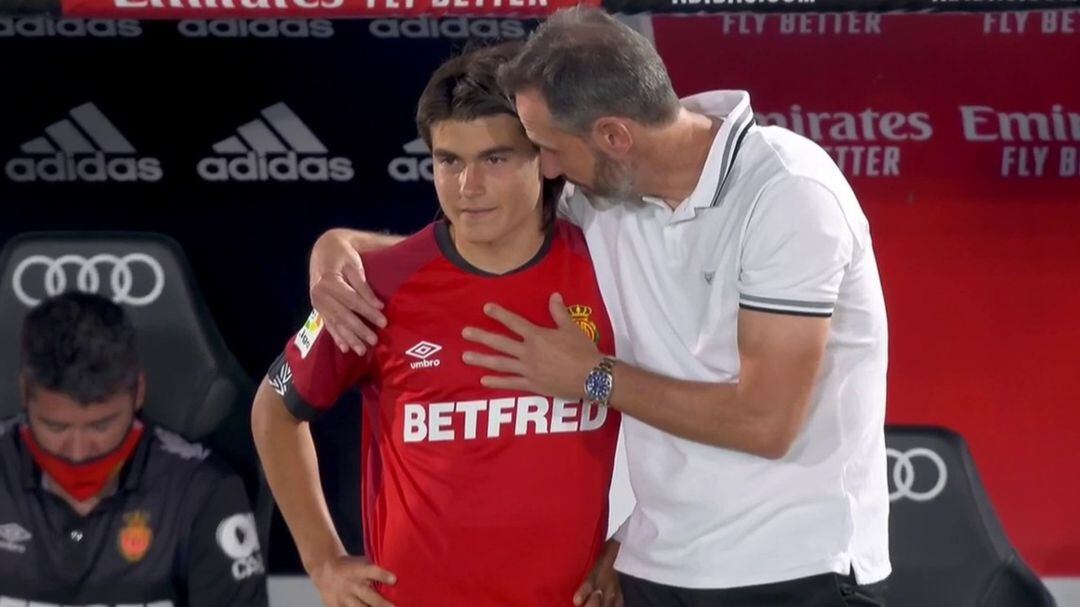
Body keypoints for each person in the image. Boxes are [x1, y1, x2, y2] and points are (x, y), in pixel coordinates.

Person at [307, 7, 891, 607]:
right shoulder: (602, 196)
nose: (547, 169)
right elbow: (474, 242)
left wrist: (592, 378)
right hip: (657, 569)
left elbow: (765, 423)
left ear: (614, 137)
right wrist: (340, 248)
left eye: (549, 149)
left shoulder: (788, 193)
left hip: (794, 569)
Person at [251, 42, 623, 607]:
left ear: (545, 159)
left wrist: (628, 546)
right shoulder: (375, 286)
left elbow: (673, 422)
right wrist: (322, 560)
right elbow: (274, 409)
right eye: (449, 161)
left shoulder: (610, 274)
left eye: (495, 159)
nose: (468, 187)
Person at [0, 291, 268, 607]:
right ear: (25, 393)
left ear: (138, 392)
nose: (78, 452)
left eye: (101, 426)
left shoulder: (202, 493)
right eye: (56, 427)